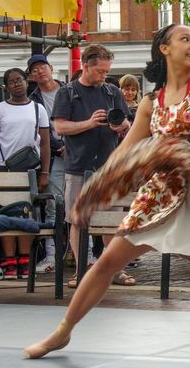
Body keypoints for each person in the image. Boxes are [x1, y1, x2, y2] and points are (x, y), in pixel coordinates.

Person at [23, 24, 190, 366]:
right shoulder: (151, 102)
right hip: (161, 190)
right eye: (185, 39)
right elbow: (125, 150)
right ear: (164, 48)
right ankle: (63, 331)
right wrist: (96, 187)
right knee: (106, 262)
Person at [53, 43, 132, 286]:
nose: (104, 76)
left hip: (108, 166)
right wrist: (88, 123)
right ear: (85, 66)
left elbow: (127, 122)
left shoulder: (112, 92)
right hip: (78, 166)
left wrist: (122, 126)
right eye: (100, 71)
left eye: (107, 71)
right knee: (78, 220)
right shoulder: (67, 92)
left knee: (112, 220)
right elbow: (60, 127)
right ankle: (81, 270)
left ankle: (114, 270)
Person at [0, 68, 51, 279]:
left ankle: (24, 259)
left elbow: (46, 142)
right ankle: (9, 261)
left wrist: (45, 172)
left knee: (25, 214)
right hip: (5, 167)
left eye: (19, 80)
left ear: (26, 82)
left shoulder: (38, 108)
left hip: (30, 169)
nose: (16, 84)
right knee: (5, 214)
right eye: (11, 82)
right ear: (6, 87)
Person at [28, 54, 65, 273]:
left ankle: (87, 254)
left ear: (52, 68)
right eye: (34, 70)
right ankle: (52, 256)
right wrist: (58, 147)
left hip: (76, 153)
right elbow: (39, 131)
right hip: (53, 156)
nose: (40, 72)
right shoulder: (33, 99)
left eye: (42, 67)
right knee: (53, 204)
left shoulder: (70, 90)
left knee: (80, 204)